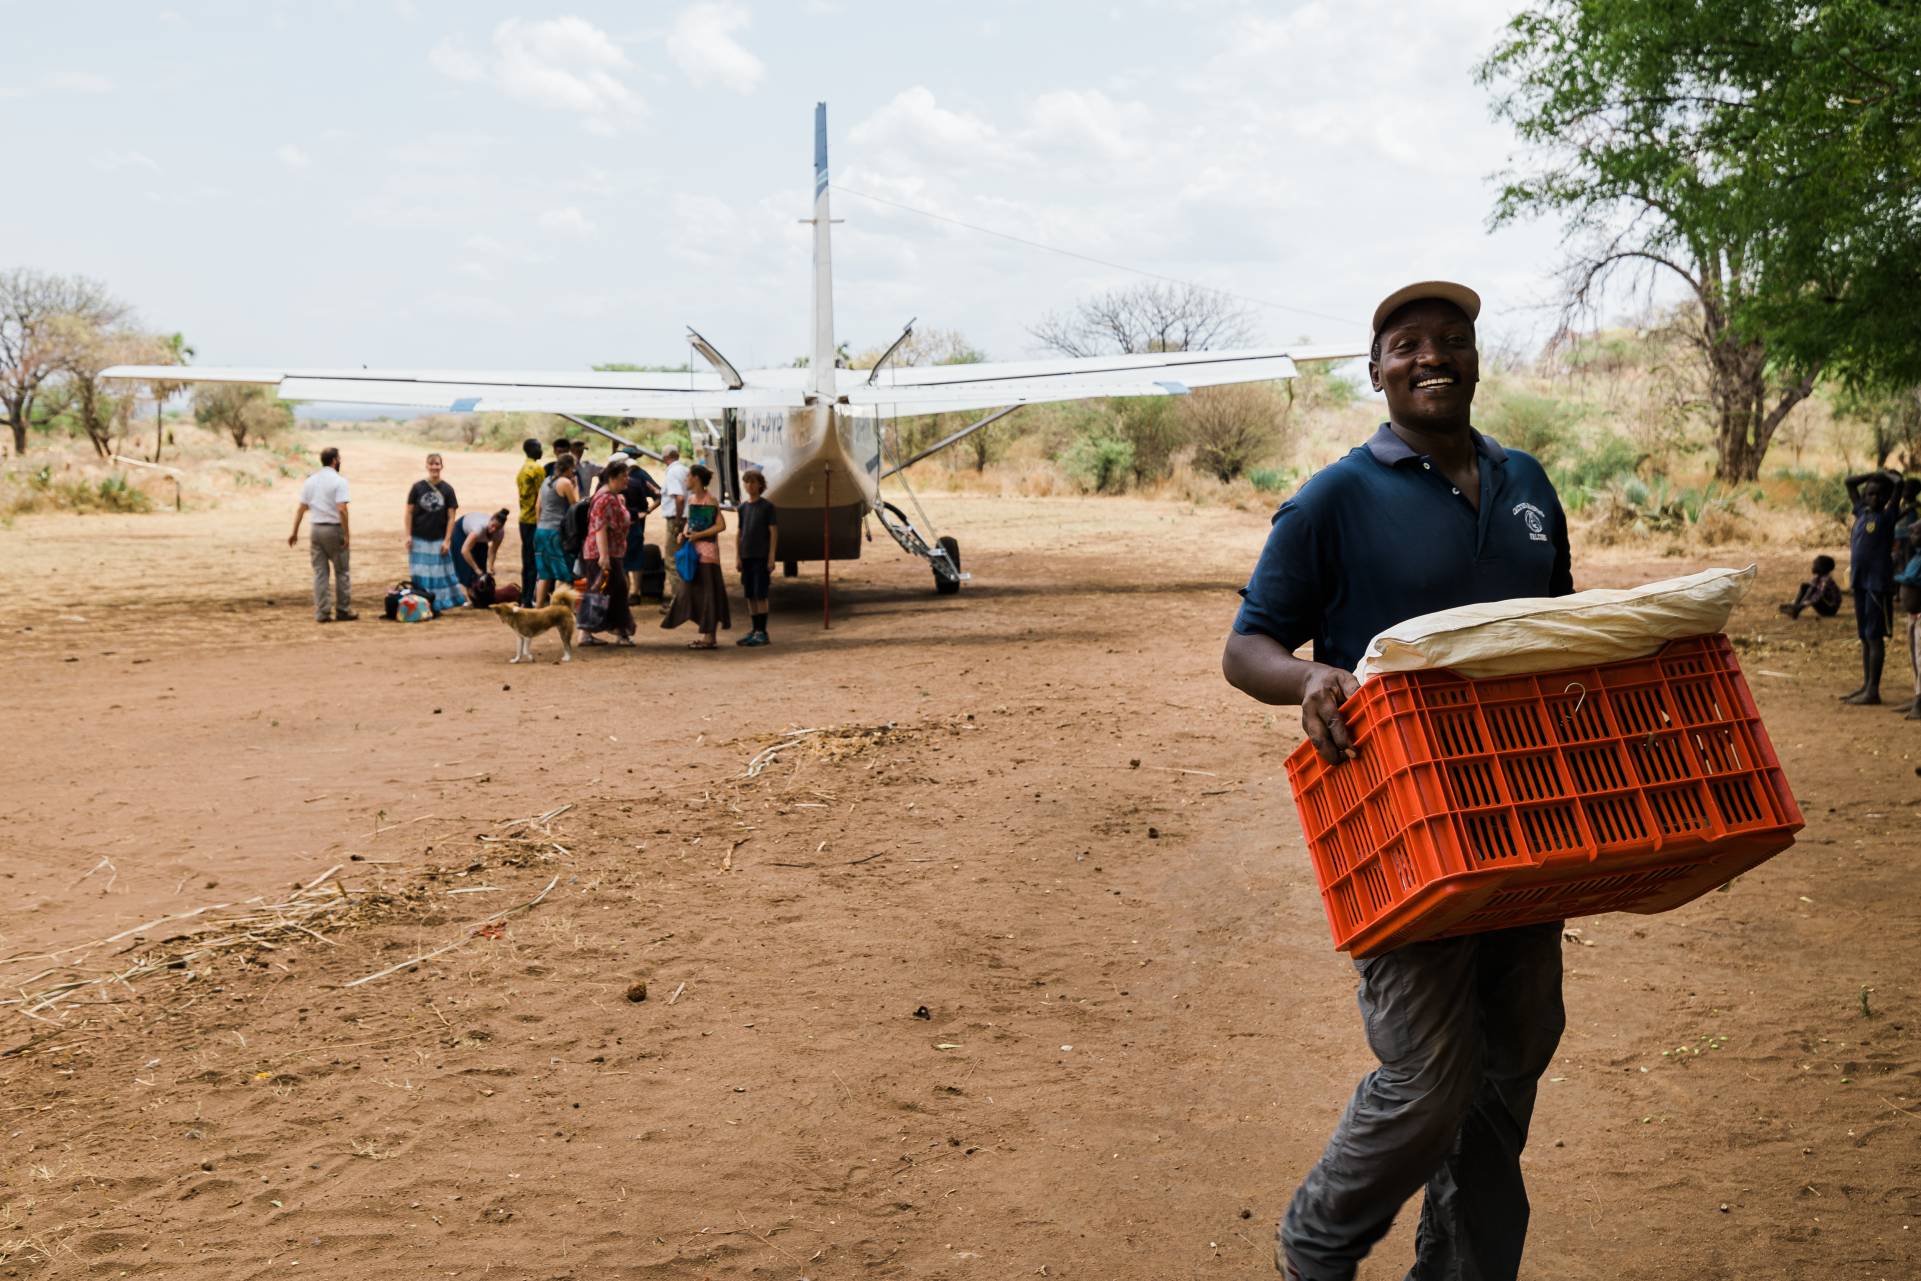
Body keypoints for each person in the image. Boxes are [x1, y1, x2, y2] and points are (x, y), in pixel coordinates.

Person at [1222, 281, 1573, 1281]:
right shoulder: (1335, 497)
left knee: (1510, 1067)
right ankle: (1315, 1251)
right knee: (1427, 1080)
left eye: (1450, 342)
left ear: (1473, 360)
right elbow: (1247, 648)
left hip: (1527, 818)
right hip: (1403, 828)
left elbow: (1556, 626)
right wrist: (1313, 678)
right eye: (1406, 345)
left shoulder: (1526, 483)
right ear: (1375, 371)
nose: (1432, 358)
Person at [1841, 470, 1899, 705]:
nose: (1873, 498)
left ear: (1886, 498)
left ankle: (1873, 689)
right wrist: (1872, 474)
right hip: (1860, 582)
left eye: (1878, 495)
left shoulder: (1887, 517)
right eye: (1869, 494)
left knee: (1874, 637)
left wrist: (1885, 475)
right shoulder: (1861, 512)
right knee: (1864, 636)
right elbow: (1849, 482)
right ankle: (1866, 685)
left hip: (1877, 585)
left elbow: (1900, 483)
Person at [661, 462, 730, 648]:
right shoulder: (692, 500)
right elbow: (691, 522)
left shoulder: (710, 500)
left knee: (707, 593)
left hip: (707, 554)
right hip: (694, 552)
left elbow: (720, 525)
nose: (686, 479)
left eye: (688, 476)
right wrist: (683, 532)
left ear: (696, 479)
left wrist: (698, 535)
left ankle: (709, 637)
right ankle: (708, 634)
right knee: (695, 592)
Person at [289, 445, 355, 623]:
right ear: (334, 460)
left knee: (320, 573)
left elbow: (301, 509)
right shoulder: (339, 481)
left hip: (315, 530)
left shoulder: (310, 481)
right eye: (339, 458)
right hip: (334, 529)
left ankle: (322, 612)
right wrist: (347, 534)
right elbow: (342, 509)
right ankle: (343, 610)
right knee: (342, 572)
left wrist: (294, 532)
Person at [579, 457, 636, 647]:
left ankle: (590, 632)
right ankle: (620, 631)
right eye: (623, 476)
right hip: (604, 553)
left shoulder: (610, 496)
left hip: (608, 552)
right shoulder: (605, 499)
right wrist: (604, 556)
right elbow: (600, 528)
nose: (626, 479)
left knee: (603, 591)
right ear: (612, 478)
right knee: (613, 590)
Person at [404, 453, 464, 611]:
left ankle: (440, 601)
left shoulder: (448, 489)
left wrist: (447, 540)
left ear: (441, 466)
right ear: (426, 466)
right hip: (419, 538)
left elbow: (451, 517)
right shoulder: (417, 488)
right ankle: (422, 600)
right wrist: (408, 535)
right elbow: (409, 512)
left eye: (437, 464)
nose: (434, 467)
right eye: (431, 464)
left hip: (438, 538)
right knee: (420, 571)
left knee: (440, 572)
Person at [734, 467, 778, 646]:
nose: (749, 485)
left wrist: (771, 556)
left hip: (761, 555)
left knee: (761, 594)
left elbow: (773, 532)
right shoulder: (743, 507)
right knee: (750, 594)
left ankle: (762, 631)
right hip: (746, 556)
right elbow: (739, 532)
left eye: (753, 482)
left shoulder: (767, 507)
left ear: (760, 485)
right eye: (746, 481)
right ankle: (754, 629)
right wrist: (738, 556)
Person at [533, 453, 580, 607]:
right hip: (556, 532)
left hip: (541, 531)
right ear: (569, 468)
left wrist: (540, 524)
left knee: (544, 573)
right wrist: (576, 487)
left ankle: (539, 607)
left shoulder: (546, 481)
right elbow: (575, 506)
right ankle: (559, 608)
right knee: (563, 572)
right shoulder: (565, 482)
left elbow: (537, 507)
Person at [616, 447, 662, 599]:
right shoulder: (639, 475)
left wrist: (647, 511)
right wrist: (646, 512)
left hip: (627, 523)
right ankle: (632, 591)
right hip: (634, 521)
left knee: (627, 555)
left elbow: (658, 494)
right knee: (630, 556)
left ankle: (631, 591)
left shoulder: (636, 476)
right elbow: (659, 495)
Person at [454, 508, 509, 604]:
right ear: (490, 521)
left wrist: (491, 565)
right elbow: (464, 551)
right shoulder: (479, 528)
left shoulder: (500, 533)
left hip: (481, 539)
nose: (493, 530)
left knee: (482, 568)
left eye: (497, 528)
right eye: (492, 526)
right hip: (461, 532)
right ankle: (473, 598)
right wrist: (475, 569)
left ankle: (480, 596)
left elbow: (492, 551)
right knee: (468, 569)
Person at [515, 438, 545, 606]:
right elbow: (542, 496)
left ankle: (525, 597)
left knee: (527, 560)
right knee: (534, 562)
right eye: (539, 447)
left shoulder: (522, 469)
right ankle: (528, 599)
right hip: (535, 520)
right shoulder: (537, 469)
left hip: (523, 519)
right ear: (532, 449)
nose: (541, 450)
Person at [658, 446, 689, 606]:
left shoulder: (672, 472)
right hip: (687, 519)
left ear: (666, 457)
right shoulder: (684, 469)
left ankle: (678, 601)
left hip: (677, 519)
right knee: (683, 559)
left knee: (671, 560)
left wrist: (677, 523)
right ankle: (684, 597)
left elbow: (679, 499)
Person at [1778, 555, 1842, 620]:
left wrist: (1802, 605)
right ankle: (1796, 607)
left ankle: (1796, 609)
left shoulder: (1827, 580)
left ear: (1822, 568)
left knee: (1812, 590)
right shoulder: (1817, 577)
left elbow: (1817, 597)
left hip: (1830, 610)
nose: (1813, 567)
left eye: (1815, 565)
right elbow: (1809, 591)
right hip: (1824, 603)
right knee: (1805, 586)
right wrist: (1794, 603)